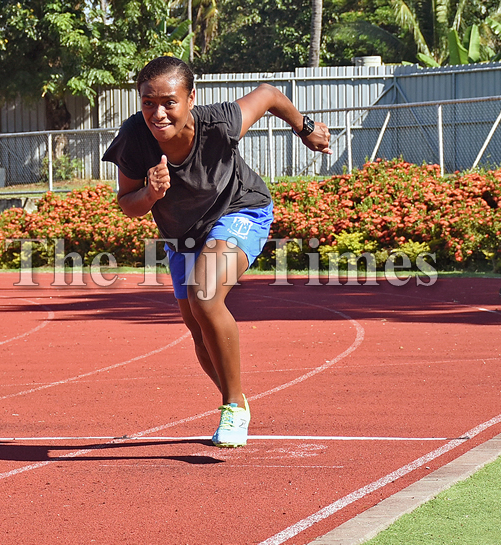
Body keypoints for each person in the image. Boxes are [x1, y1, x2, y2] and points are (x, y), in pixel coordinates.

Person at [102, 56, 332, 447]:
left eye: (169, 102)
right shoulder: (133, 137)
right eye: (148, 103)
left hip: (240, 210)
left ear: (191, 98)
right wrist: (151, 193)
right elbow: (127, 203)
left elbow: (268, 95)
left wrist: (304, 127)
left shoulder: (220, 123)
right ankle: (235, 396)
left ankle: (232, 408)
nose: (158, 114)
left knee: (205, 295)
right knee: (199, 329)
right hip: (182, 234)